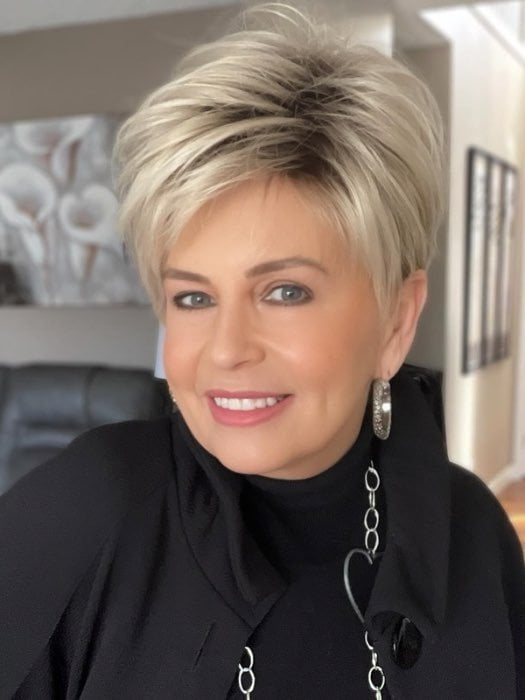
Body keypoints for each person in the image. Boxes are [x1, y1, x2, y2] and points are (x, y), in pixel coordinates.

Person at [1, 3, 524, 698]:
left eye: (284, 291)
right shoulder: (82, 510)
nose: (226, 350)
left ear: (396, 321)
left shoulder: (472, 534)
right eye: (193, 297)